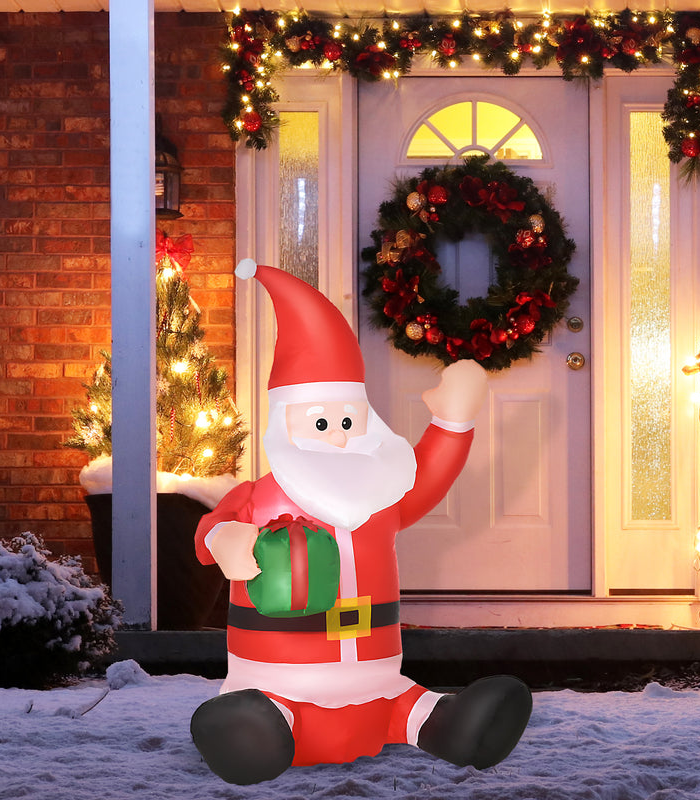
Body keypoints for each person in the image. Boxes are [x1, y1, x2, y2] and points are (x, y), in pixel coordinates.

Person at [190, 261, 532, 785]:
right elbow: (210, 526)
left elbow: (426, 482)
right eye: (322, 422)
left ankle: (447, 725)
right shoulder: (259, 497)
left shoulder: (378, 493)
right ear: (286, 423)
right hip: (281, 681)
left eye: (349, 421)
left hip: (377, 677)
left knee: (400, 702)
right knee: (263, 716)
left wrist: (452, 423)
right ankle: (254, 731)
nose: (339, 436)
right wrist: (225, 537)